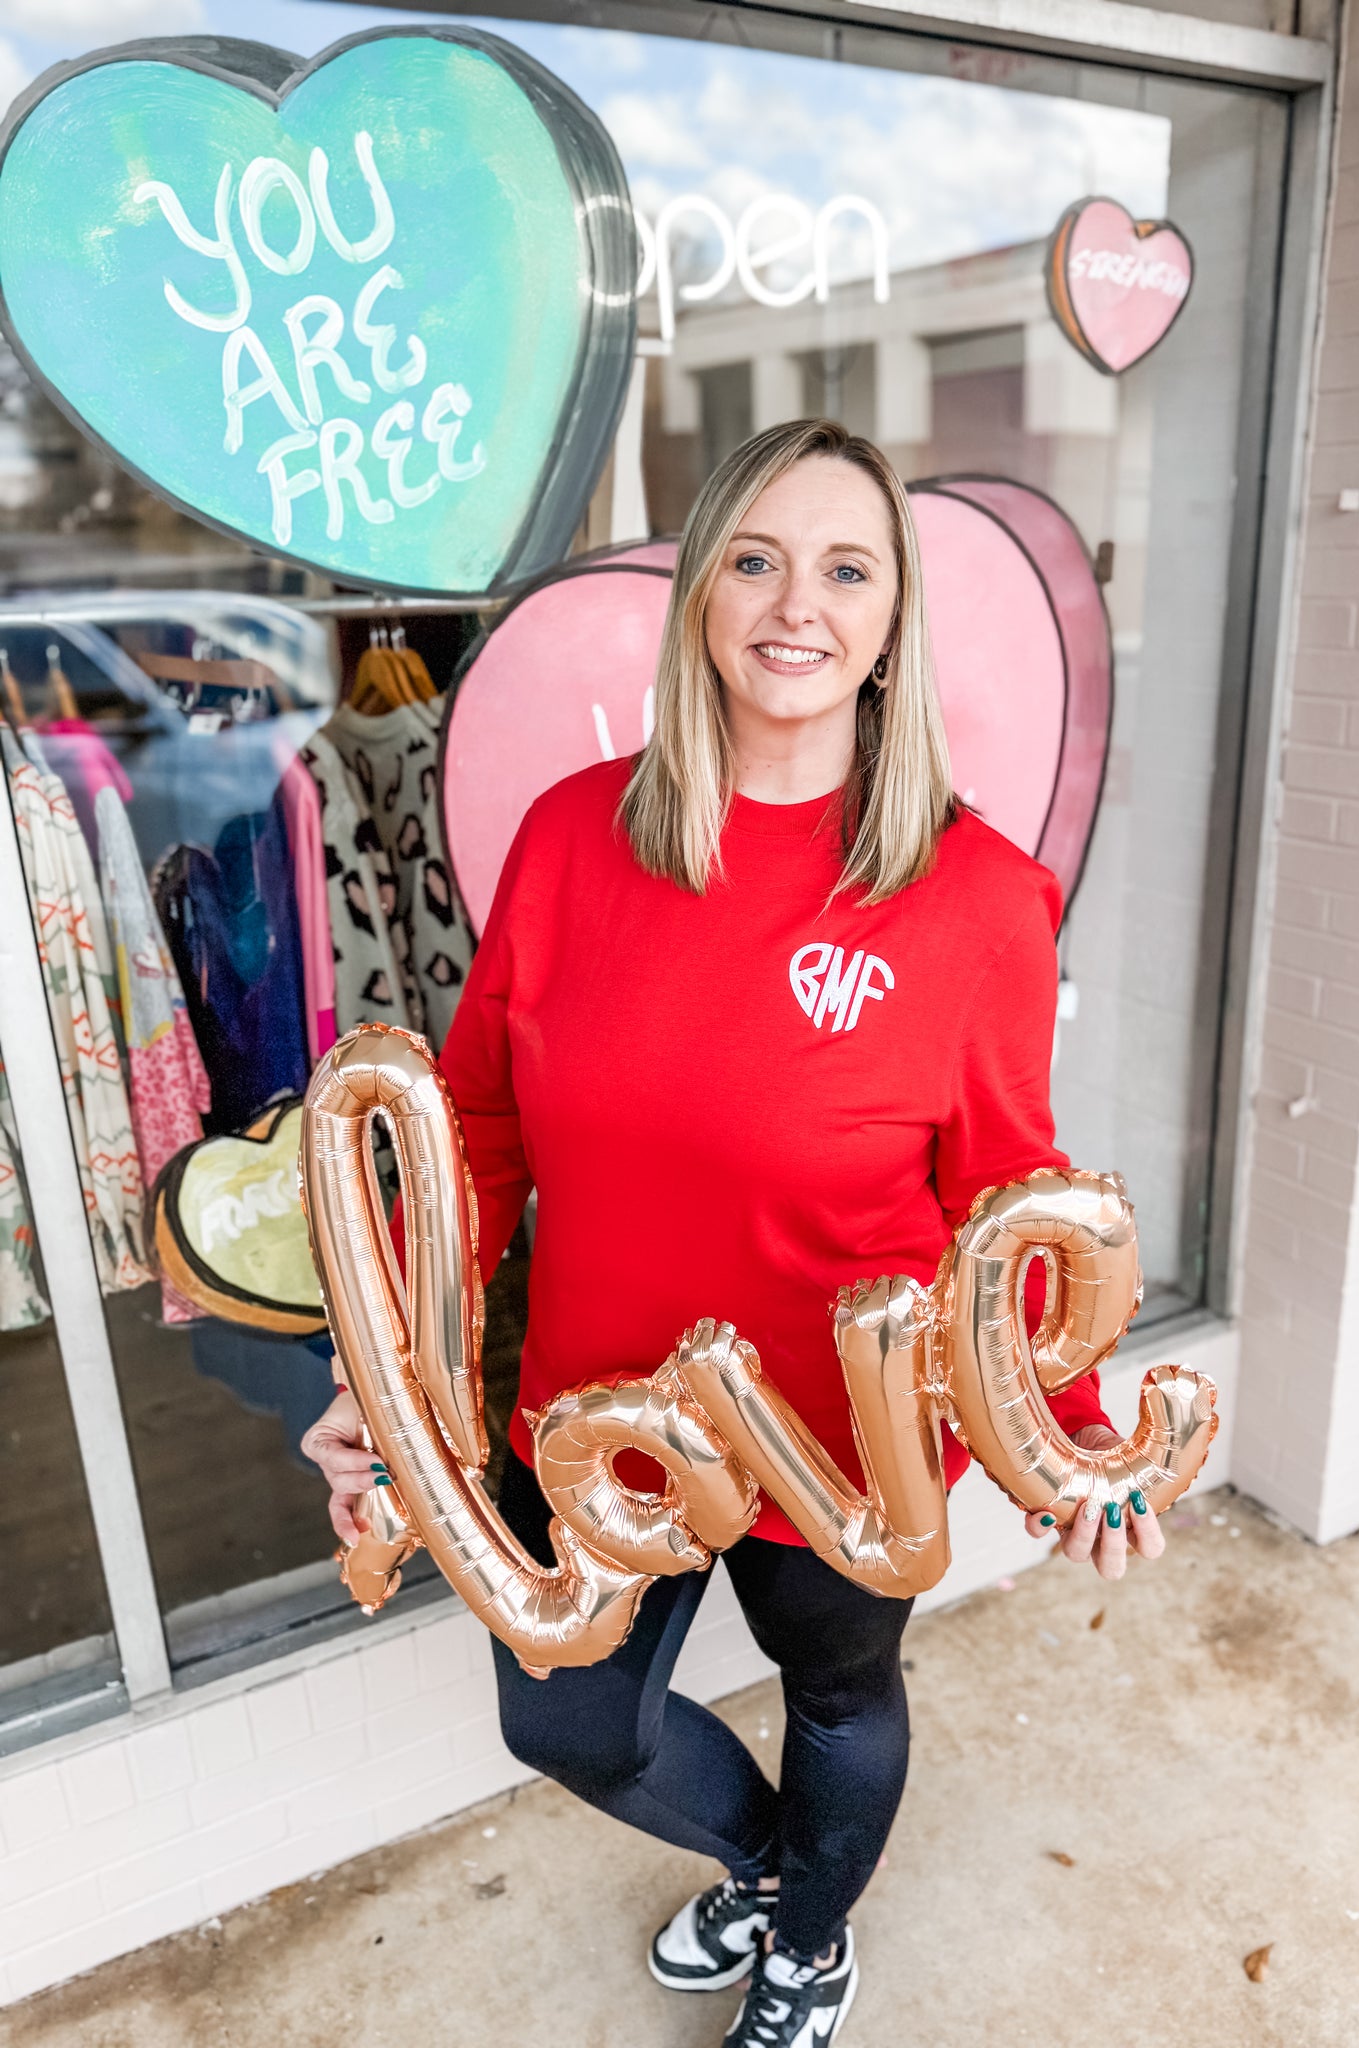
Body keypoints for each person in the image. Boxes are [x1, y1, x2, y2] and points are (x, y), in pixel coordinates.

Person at [302, 418, 1166, 2046]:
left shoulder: (974, 896)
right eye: (757, 559)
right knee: (569, 1722)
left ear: (894, 618)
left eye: (847, 569)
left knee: (841, 1694)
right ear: (700, 592)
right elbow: (477, 1124)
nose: (797, 605)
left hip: (844, 1440)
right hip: (595, 1419)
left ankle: (809, 1938)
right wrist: (394, 1365)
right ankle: (781, 1877)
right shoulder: (569, 838)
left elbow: (1005, 1196)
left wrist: (1072, 1430)